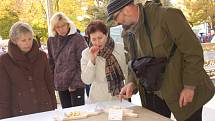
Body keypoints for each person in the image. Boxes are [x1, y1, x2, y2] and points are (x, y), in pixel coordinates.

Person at [107, 0, 215, 121]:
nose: (116, 22)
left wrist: (189, 86)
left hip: (182, 86)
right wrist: (131, 82)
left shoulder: (167, 16)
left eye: (116, 17)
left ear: (126, 9)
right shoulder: (127, 33)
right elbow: (132, 61)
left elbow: (193, 53)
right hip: (153, 93)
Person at [0, 22, 57, 119]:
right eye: (23, 40)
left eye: (30, 39)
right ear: (14, 41)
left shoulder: (41, 56)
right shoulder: (4, 61)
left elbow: (49, 83)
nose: (28, 43)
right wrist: (4, 117)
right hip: (20, 112)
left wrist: (53, 107)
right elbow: (3, 92)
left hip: (45, 108)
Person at [81, 20, 127, 103]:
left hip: (119, 97)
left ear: (106, 35)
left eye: (100, 38)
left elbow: (127, 72)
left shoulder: (120, 48)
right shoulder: (86, 53)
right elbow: (87, 80)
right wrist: (92, 60)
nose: (97, 42)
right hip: (97, 99)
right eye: (94, 39)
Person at [47, 12, 87, 108]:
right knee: (66, 113)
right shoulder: (51, 40)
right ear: (54, 28)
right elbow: (51, 62)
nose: (61, 29)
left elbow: (83, 61)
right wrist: (53, 82)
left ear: (68, 24)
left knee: (79, 113)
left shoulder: (78, 38)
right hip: (61, 84)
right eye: (58, 27)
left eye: (63, 25)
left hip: (76, 83)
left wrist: (73, 83)